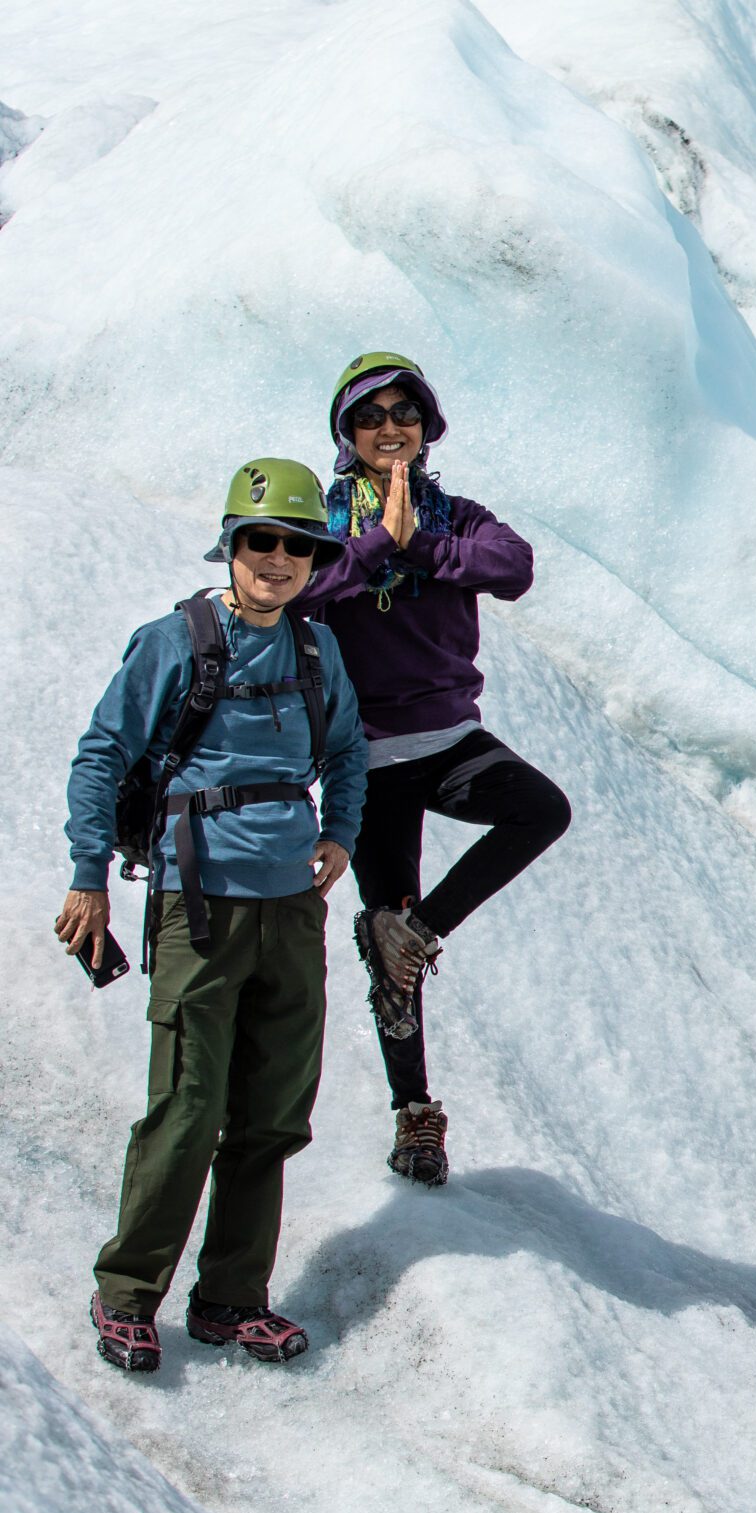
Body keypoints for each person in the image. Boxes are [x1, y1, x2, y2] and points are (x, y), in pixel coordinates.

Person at [59, 457, 368, 1373]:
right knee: (188, 1108)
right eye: (260, 540)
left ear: (315, 558)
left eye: (297, 545)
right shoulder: (174, 640)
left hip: (291, 912)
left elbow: (348, 748)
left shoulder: (317, 650)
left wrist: (341, 831)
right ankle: (126, 1293)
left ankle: (232, 1299)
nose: (277, 559)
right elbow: (101, 754)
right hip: (196, 907)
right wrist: (87, 878)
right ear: (231, 544)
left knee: (273, 1114)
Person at [292, 351, 570, 1188]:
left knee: (539, 811)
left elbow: (513, 567)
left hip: (447, 741)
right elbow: (299, 591)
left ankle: (416, 930)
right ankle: (415, 1116)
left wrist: (425, 549)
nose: (390, 427)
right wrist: (379, 545)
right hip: (366, 760)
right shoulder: (327, 522)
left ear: (428, 426)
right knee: (388, 954)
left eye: (405, 413)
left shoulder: (457, 516)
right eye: (372, 415)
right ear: (348, 433)